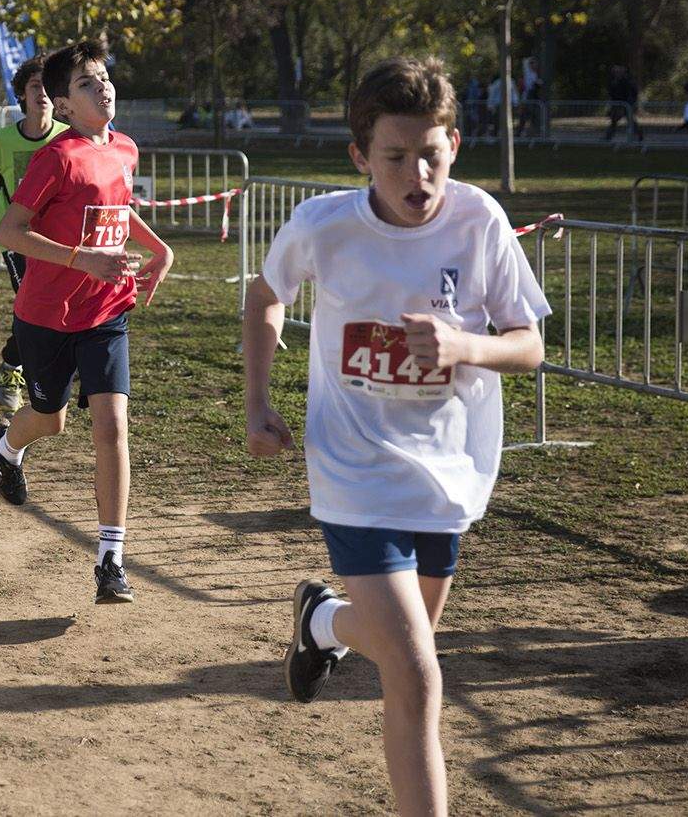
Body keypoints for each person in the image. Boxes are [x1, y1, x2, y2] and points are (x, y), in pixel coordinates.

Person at [243, 56, 547, 817]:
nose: (418, 175)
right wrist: (256, 400)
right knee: (416, 675)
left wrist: (462, 346)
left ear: (455, 146)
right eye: (396, 157)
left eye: (432, 156)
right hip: (353, 469)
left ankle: (320, 623)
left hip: (448, 473)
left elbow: (529, 344)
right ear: (359, 157)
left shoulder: (478, 220)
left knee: (394, 648)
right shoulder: (324, 224)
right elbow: (265, 296)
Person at [0, 41, 174, 604]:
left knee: (112, 428)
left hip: (106, 310)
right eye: (88, 84)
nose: (104, 88)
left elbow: (117, 209)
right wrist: (80, 258)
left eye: (105, 78)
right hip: (46, 316)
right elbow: (10, 232)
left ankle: (111, 560)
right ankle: (6, 449)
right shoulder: (56, 158)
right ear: (64, 105)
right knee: (49, 421)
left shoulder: (125, 147)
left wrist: (158, 248)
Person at [0, 54, 67, 417]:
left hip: (61, 239)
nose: (42, 93)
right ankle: (13, 368)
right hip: (18, 237)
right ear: (21, 95)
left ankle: (31, 364)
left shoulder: (69, 137)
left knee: (55, 308)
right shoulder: (4, 139)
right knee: (31, 306)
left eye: (48, 87)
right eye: (34, 86)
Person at [605, 65, 641, 142]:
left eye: (618, 72)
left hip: (626, 104)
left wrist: (632, 102)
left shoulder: (627, 81)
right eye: (615, 72)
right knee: (615, 120)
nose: (616, 74)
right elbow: (611, 92)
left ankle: (639, 136)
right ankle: (608, 136)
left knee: (630, 120)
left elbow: (631, 92)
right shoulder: (613, 81)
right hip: (618, 104)